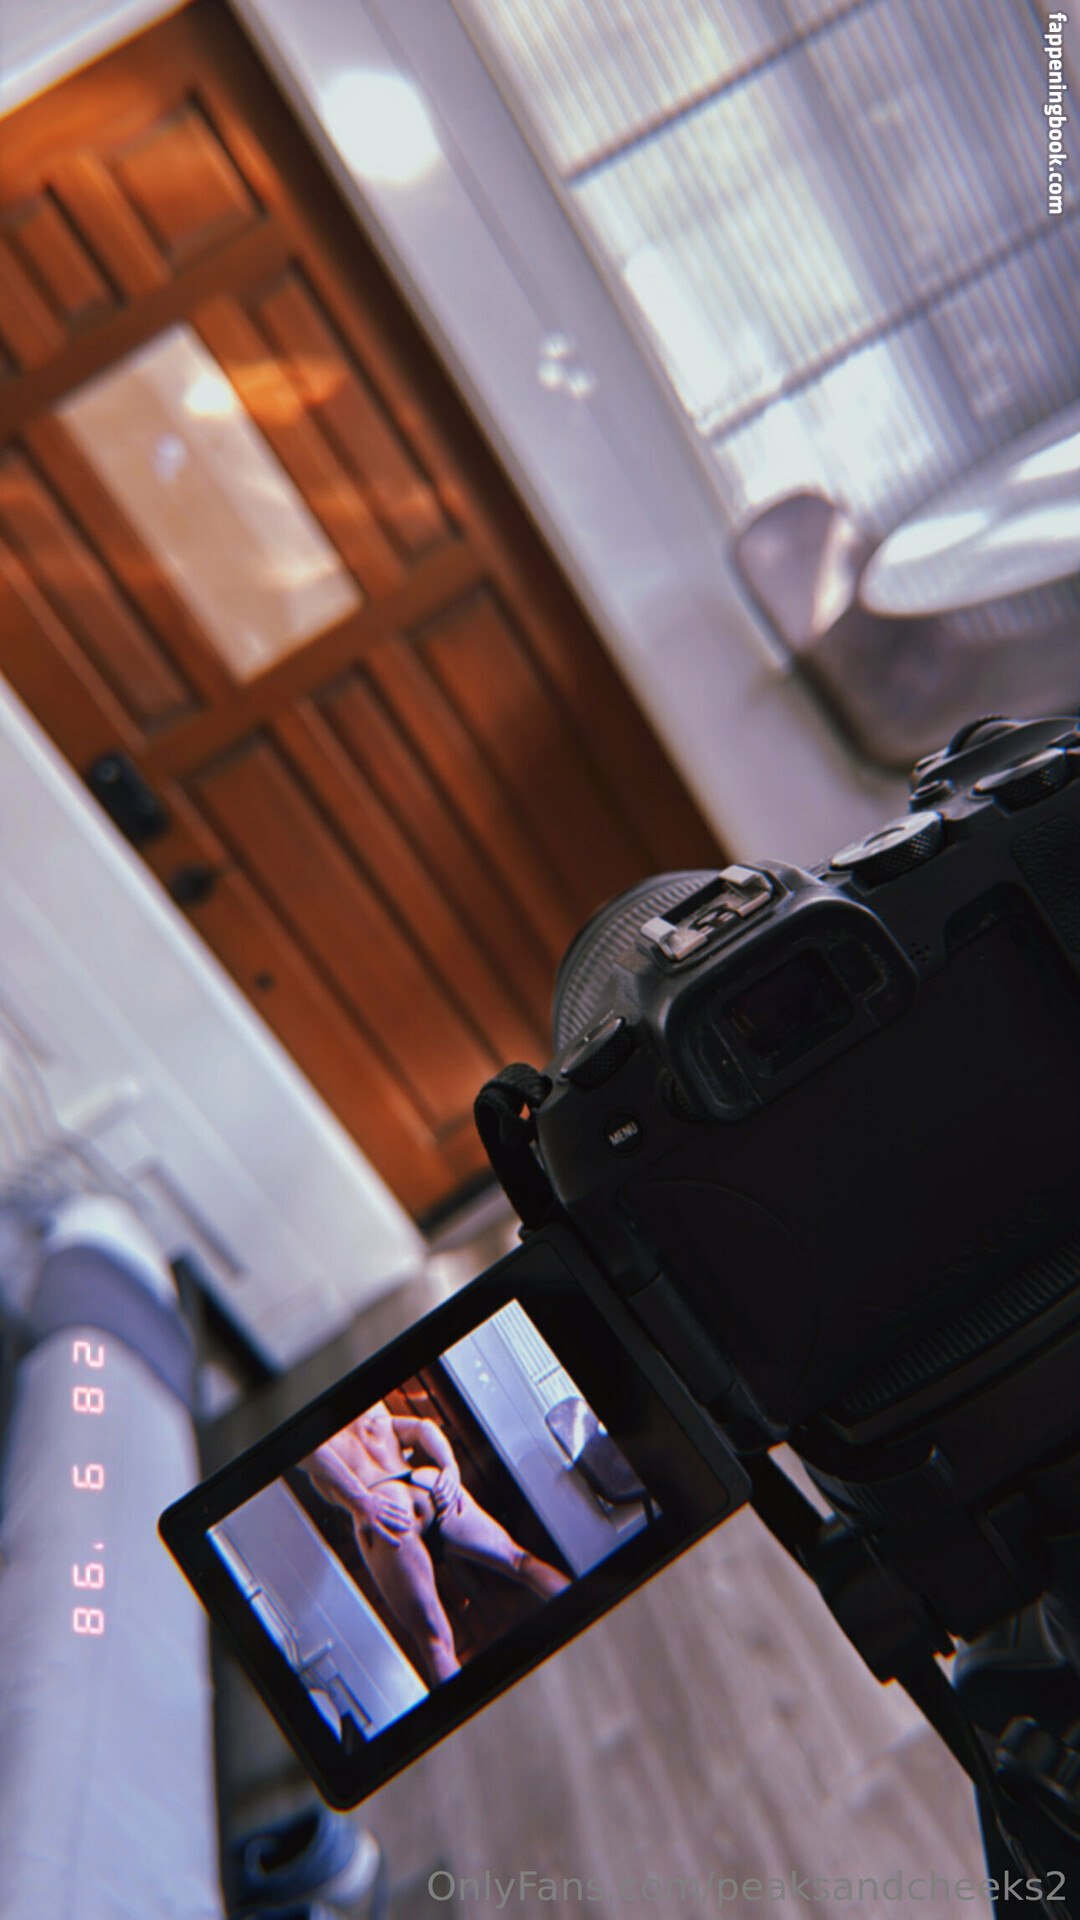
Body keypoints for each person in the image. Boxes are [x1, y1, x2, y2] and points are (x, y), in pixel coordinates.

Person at [301, 1401, 570, 1686]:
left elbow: (315, 1454)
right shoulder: (372, 1408)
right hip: (426, 1483)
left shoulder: (306, 1432)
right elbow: (423, 1427)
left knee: (435, 1643)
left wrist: (362, 1501)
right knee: (520, 1561)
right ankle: (587, 1610)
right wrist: (449, 1468)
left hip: (384, 1508)